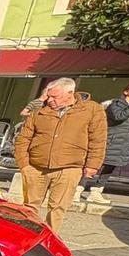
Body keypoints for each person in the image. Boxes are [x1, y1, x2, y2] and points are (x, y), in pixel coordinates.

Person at [14, 77, 106, 233]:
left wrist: (92, 165)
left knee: (57, 208)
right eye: (48, 96)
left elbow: (98, 139)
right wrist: (24, 164)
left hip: (69, 167)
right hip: (36, 167)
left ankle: (49, 240)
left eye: (54, 96)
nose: (49, 100)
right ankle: (27, 235)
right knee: (29, 206)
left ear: (70, 93)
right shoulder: (39, 112)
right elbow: (23, 138)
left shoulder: (91, 110)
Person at [87, 81, 129, 204]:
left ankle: (96, 192)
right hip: (112, 139)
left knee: (111, 166)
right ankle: (77, 190)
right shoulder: (116, 104)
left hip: (125, 141)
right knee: (95, 164)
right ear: (126, 91)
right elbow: (119, 116)